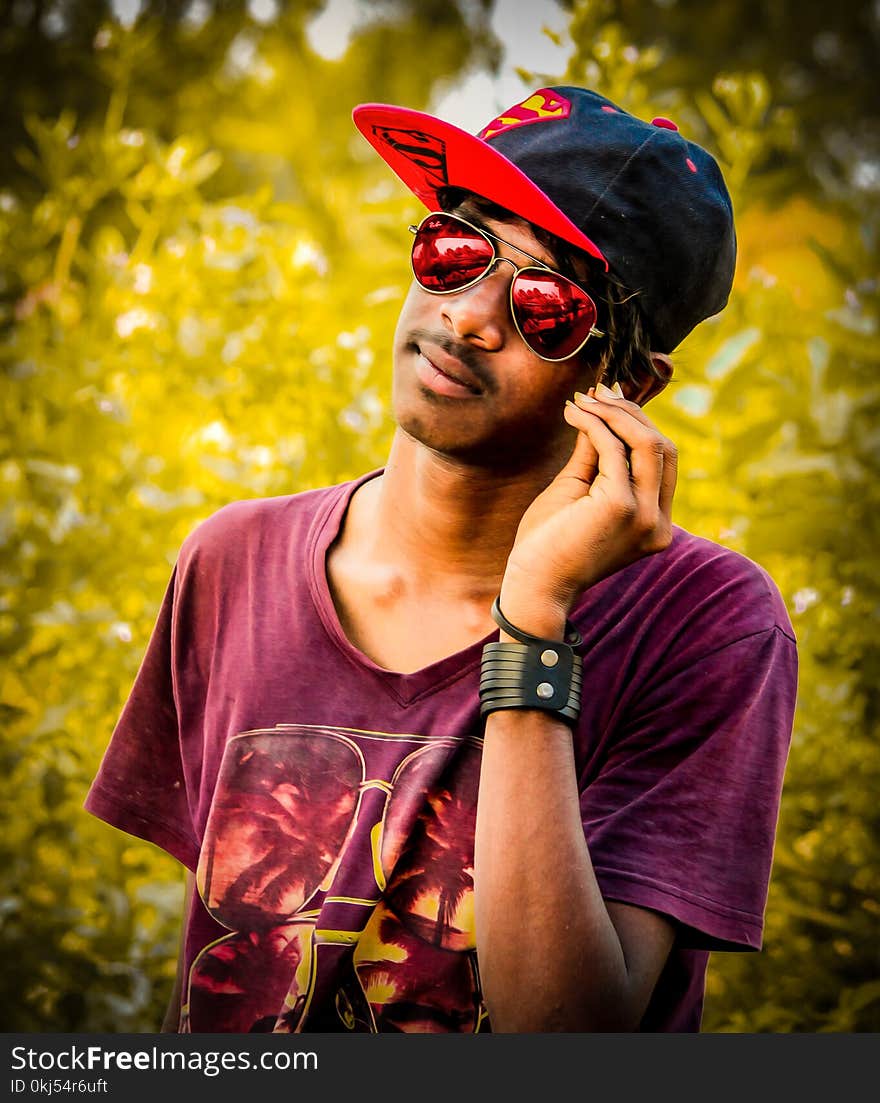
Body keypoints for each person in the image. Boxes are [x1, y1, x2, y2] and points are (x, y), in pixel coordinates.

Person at [84, 85, 798, 1034]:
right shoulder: (233, 561)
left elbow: (568, 1035)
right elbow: (244, 962)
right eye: (458, 251)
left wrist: (535, 618)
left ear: (625, 383)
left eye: (547, 304)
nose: (469, 315)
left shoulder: (708, 625)